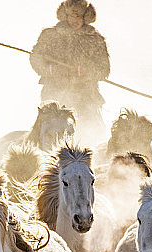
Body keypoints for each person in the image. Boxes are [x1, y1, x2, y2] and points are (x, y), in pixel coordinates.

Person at [30, 0, 110, 144]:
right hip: (54, 94)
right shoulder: (50, 35)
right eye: (71, 16)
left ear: (86, 17)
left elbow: (104, 68)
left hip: (86, 96)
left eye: (78, 16)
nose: (74, 20)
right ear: (65, 16)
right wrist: (47, 69)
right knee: (46, 131)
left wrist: (86, 71)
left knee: (92, 134)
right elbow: (36, 57)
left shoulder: (95, 39)